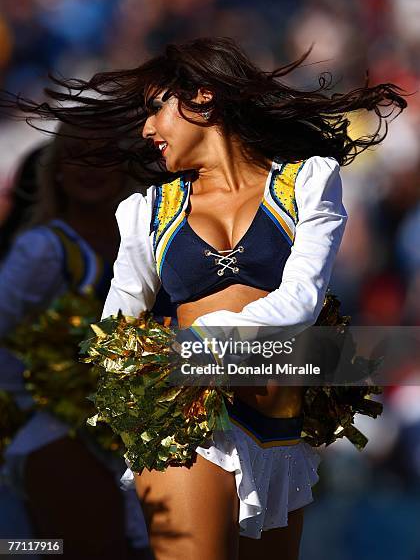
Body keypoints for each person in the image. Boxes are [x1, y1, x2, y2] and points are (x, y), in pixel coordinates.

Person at [5, 37, 406, 560]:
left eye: (155, 109)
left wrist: (192, 348)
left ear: (203, 98)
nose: (147, 129)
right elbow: (116, 327)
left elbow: (302, 301)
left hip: (280, 429)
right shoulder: (144, 211)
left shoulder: (307, 182)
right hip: (182, 422)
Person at [0, 128, 155, 559]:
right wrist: (32, 402)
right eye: (76, 156)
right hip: (59, 432)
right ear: (57, 172)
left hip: (138, 430)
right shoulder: (42, 250)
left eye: (103, 154)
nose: (90, 168)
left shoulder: (148, 241)